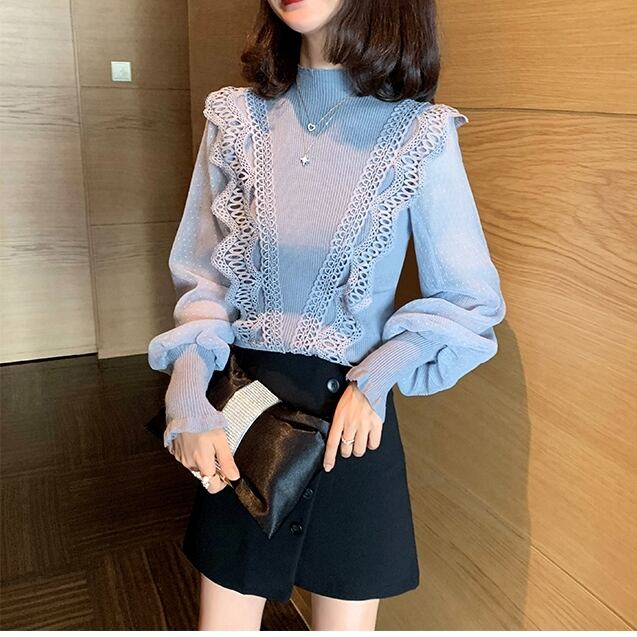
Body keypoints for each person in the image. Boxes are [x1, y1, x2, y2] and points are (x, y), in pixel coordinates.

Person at [147, 0, 506, 630]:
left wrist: (378, 377)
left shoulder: (419, 134)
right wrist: (187, 392)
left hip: (351, 421)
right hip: (243, 411)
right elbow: (204, 278)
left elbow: (468, 297)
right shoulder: (235, 120)